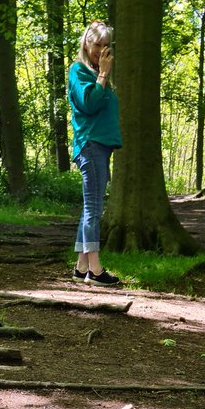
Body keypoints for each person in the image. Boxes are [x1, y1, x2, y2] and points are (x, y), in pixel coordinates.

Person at [68, 20, 122, 287]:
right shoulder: (78, 71)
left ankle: (80, 268)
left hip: (101, 145)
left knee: (91, 206)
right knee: (94, 208)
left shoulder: (94, 73)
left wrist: (102, 76)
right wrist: (102, 75)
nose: (101, 51)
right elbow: (88, 104)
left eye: (105, 46)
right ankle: (96, 270)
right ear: (86, 44)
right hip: (90, 144)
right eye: (96, 45)